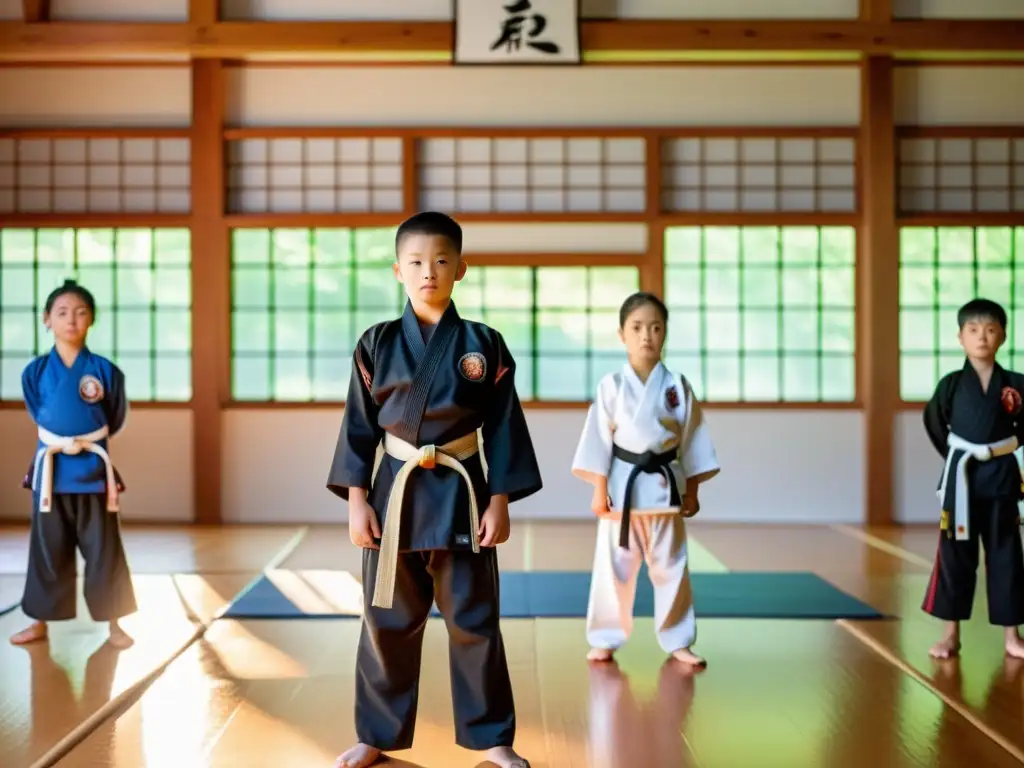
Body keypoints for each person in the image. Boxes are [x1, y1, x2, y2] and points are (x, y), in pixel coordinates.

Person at [326, 211, 543, 768]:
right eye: (417, 262)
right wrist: (356, 502)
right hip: (394, 496)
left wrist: (499, 499)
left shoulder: (483, 344)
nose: (430, 272)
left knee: (474, 620)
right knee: (386, 622)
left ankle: (492, 737)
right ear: (398, 270)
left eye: (442, 261)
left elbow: (504, 426)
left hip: (462, 495)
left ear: (461, 269)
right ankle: (375, 733)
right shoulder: (375, 343)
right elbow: (357, 428)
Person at [571, 292, 719, 668]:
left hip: (666, 488)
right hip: (622, 490)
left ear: (665, 333)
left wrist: (693, 490)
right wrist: (598, 490)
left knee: (672, 568)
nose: (646, 335)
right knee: (613, 570)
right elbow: (598, 440)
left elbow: (693, 441)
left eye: (655, 327)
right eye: (637, 328)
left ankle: (678, 640)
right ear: (622, 334)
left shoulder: (677, 386)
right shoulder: (611, 387)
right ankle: (604, 638)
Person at [10, 279, 135, 649]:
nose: (71, 321)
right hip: (51, 474)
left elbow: (114, 416)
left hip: (94, 475)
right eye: (62, 313)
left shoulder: (106, 371)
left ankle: (114, 625)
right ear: (46, 319)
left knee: (104, 549)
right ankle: (39, 623)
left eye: (81, 313)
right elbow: (40, 413)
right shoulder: (34, 373)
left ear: (91, 320)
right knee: (47, 549)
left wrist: (83, 442)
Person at [921, 297, 1024, 660]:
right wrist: (959, 456)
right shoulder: (950, 385)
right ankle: (951, 634)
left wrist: (1003, 450)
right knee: (955, 554)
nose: (982, 337)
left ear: (1003, 337)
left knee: (1007, 554)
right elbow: (935, 425)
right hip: (962, 479)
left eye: (991, 329)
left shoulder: (1015, 384)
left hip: (1000, 476)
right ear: (960, 337)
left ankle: (1013, 635)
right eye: (974, 329)